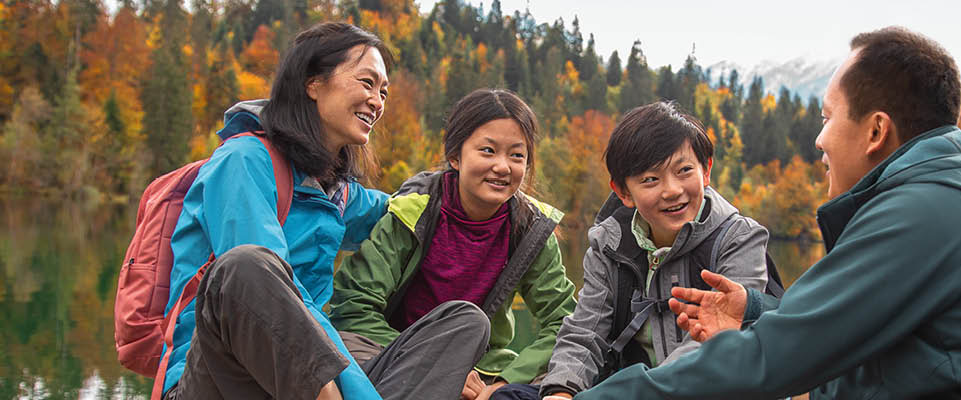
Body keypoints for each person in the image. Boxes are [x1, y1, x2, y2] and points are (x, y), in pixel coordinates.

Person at [577, 26, 961, 399]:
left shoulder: (926, 214)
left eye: (827, 116)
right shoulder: (943, 197)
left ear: (875, 131)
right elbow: (860, 340)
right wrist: (758, 312)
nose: (818, 139)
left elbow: (770, 361)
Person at [162, 22, 490, 400]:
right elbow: (263, 297)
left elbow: (396, 211)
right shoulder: (242, 162)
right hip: (220, 377)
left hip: (303, 380)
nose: (378, 102)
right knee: (249, 265)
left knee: (463, 322)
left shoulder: (333, 192)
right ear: (312, 83)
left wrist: (460, 186)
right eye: (367, 83)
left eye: (383, 92)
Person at [490, 101, 773, 400]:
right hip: (620, 386)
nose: (672, 190)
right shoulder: (609, 243)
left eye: (684, 170)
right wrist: (562, 390)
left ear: (706, 170)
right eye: (650, 179)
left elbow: (718, 345)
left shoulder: (738, 238)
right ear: (624, 192)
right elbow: (586, 333)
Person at [330, 88, 578, 399]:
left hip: (480, 371)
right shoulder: (413, 211)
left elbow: (564, 321)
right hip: (392, 352)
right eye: (488, 151)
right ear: (455, 156)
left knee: (568, 375)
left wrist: (503, 381)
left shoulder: (530, 227)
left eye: (517, 155)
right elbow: (354, 306)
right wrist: (435, 366)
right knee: (343, 351)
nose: (502, 167)